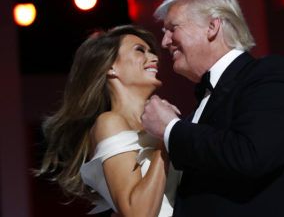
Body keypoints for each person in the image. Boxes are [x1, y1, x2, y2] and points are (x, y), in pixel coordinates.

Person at [141, 0, 284, 217]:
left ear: (212, 26)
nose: (165, 41)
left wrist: (170, 128)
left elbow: (250, 155)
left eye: (172, 28)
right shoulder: (203, 102)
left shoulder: (270, 74)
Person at [37, 25, 180, 217]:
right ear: (110, 67)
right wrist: (166, 138)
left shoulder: (158, 122)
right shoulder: (110, 123)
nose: (154, 58)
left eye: (152, 52)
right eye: (140, 50)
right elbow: (137, 214)